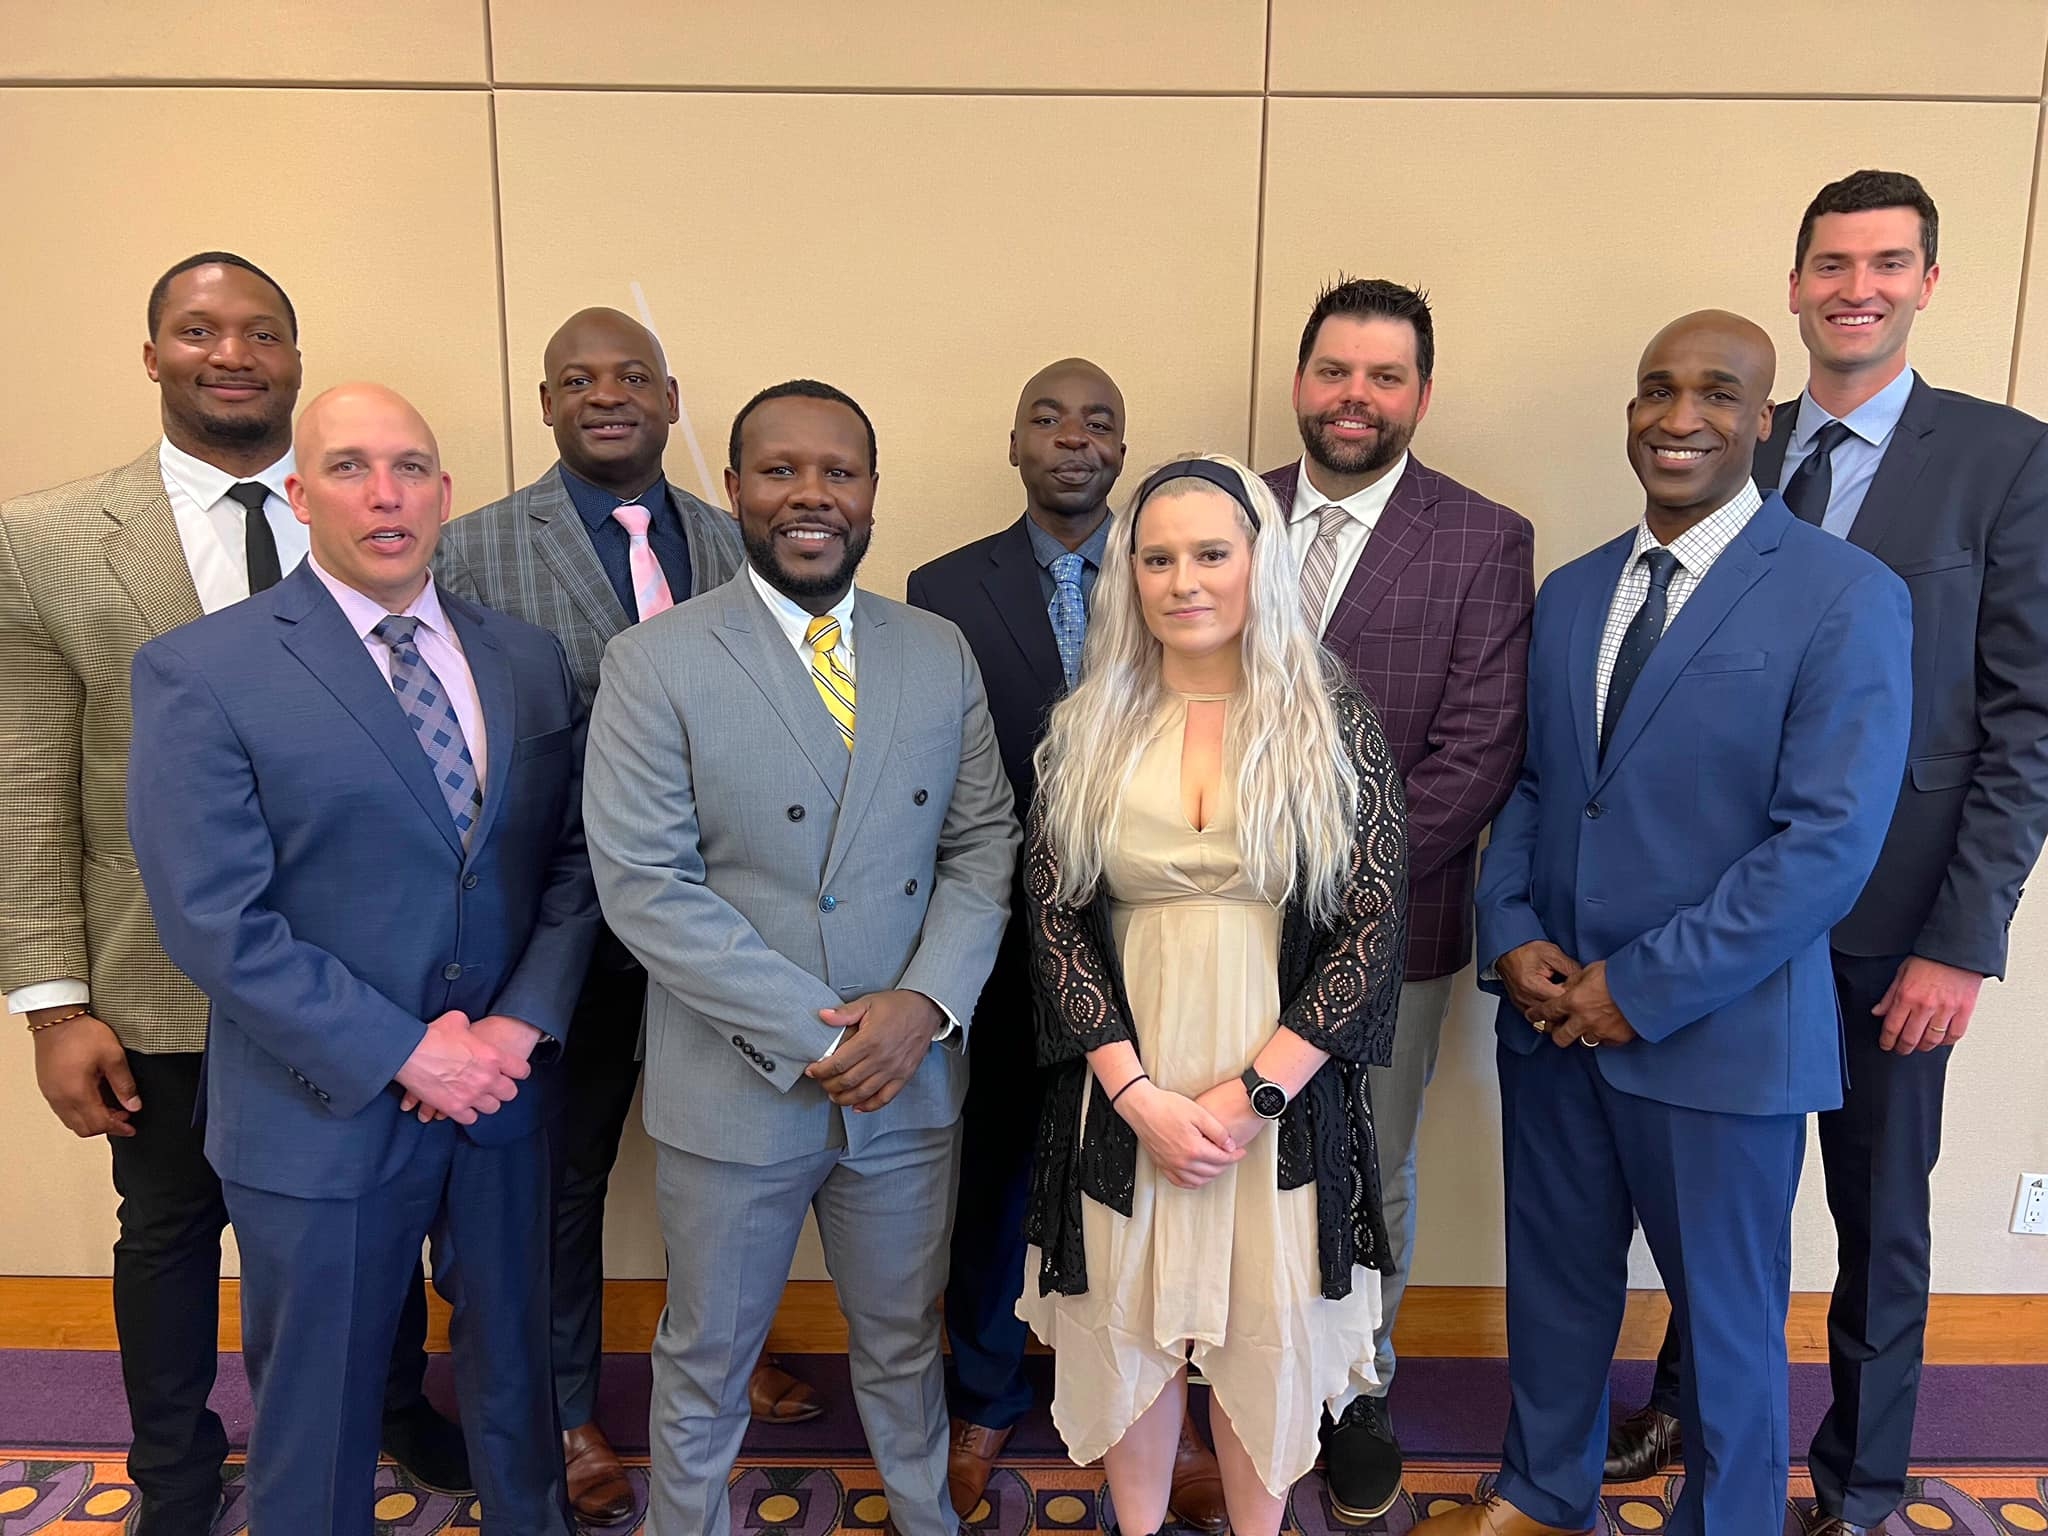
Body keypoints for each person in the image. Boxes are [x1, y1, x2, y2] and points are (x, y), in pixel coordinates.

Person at [1412, 312, 1912, 1536]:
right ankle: (1540, 1494)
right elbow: (1535, 786)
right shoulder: (1579, 588)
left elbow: (1823, 847)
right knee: (1558, 1292)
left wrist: (1634, 987)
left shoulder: (1844, 596)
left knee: (1728, 1323)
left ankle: (1726, 1520)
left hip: (1716, 1039)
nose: (1677, 417)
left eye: (1714, 394)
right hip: (1551, 1025)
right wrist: (1512, 921)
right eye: (1654, 390)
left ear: (1764, 415)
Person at [1604, 173, 2048, 1536]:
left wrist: (1963, 943)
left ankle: (1858, 1481)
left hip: (1894, 927)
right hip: (1725, 922)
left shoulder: (2006, 460)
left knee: (1876, 1212)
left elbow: (2027, 719)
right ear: (1794, 286)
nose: (1858, 285)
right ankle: (1688, 1410)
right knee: (1713, 1192)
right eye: (1833, 263)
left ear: (1926, 285)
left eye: (1888, 263)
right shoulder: (1735, 432)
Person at [0, 254, 465, 1533]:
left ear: (297, 360)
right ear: (152, 356)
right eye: (197, 331)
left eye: (263, 331)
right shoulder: (47, 541)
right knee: (167, 1233)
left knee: (362, 1221)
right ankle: (175, 1471)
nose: (233, 353)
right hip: (158, 979)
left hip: (367, 980)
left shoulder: (380, 514)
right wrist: (52, 1007)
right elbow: (27, 779)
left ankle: (389, 1412)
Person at [126, 383, 599, 1534]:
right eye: (347, 468)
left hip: (501, 1091)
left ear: (445, 492)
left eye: (410, 467)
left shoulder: (526, 660)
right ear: (297, 495)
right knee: (319, 1410)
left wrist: (515, 1029)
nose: (384, 495)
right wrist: (404, 1053)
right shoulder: (203, 671)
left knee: (515, 1396)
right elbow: (213, 919)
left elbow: (574, 865)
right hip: (315, 1106)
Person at [582, 379, 1018, 1536]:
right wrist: (822, 1035)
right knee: (708, 1353)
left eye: (839, 471)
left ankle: (923, 1518)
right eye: (779, 471)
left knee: (897, 1340)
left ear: (872, 493)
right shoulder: (653, 660)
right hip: (736, 1088)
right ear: (732, 491)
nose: (810, 495)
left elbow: (983, 843)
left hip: (909, 1082)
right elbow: (644, 887)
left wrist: (922, 1005)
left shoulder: (937, 650)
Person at [435, 306, 819, 1526]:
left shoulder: (741, 537)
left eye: (633, 377)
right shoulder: (471, 549)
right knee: (568, 1170)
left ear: (669, 397)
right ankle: (564, 1407)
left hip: (729, 921)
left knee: (736, 1154)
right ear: (545, 403)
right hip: (563, 925)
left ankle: (724, 1346)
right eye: (577, 380)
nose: (608, 396)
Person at [1017, 454, 1409, 1536]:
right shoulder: (1086, 721)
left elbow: (1371, 922)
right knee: (1129, 1333)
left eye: (1209, 554)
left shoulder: (1326, 716)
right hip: (1123, 1090)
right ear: (1126, 576)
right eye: (1156, 557)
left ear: (1256, 563)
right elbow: (1051, 918)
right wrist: (1136, 1095)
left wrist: (1252, 1099)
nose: (1183, 580)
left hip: (1275, 1100)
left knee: (1259, 1336)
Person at [904, 360, 1226, 1533]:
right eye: (1048, 417)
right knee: (992, 1175)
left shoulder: (1170, 587)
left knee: (1156, 1181)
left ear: (1124, 451)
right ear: (1012, 442)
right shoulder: (939, 588)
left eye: (1099, 421)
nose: (1073, 438)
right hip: (993, 933)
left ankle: (1170, 1408)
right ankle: (984, 1394)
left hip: (1150, 939)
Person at [1261, 277, 1533, 1518]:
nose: (1354, 397)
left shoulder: (1482, 538)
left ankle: (1355, 1387)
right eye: (1334, 371)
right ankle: (1236, 1371)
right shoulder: (1226, 510)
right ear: (1300, 378)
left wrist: (1335, 896)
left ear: (1420, 393)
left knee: (1367, 1162)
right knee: (1216, 1144)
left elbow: (1475, 751)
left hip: (1394, 930)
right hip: (1204, 923)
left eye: (1383, 377)